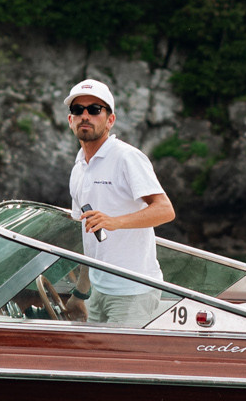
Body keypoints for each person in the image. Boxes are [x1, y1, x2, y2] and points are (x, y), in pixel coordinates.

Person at [64, 77, 175, 322]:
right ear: (70, 119)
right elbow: (87, 235)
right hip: (98, 290)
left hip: (133, 291)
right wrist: (81, 292)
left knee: (117, 362)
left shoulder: (126, 157)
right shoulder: (79, 167)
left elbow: (165, 210)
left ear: (110, 120)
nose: (85, 115)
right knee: (96, 361)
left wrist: (115, 221)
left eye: (94, 110)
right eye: (77, 110)